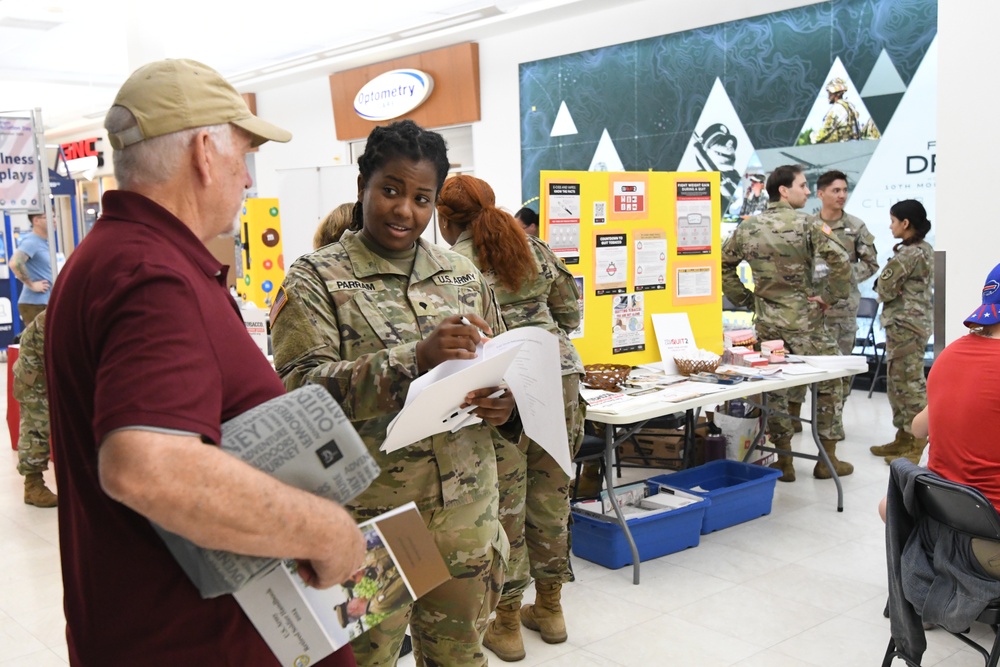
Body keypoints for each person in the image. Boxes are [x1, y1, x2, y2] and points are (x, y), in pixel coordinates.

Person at [44, 58, 365, 667]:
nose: (247, 179)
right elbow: (146, 467)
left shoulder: (107, 258)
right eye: (243, 155)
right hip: (196, 640)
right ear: (203, 152)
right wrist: (325, 530)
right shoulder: (152, 276)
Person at [271, 119, 517, 667]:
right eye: (391, 190)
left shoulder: (461, 274)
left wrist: (506, 405)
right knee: (364, 661)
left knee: (460, 659)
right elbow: (298, 394)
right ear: (363, 185)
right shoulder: (318, 278)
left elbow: (498, 365)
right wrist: (415, 359)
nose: (405, 210)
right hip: (373, 525)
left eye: (422, 198)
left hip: (466, 515)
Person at [437, 175, 586, 662]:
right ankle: (551, 608)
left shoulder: (450, 264)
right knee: (552, 491)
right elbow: (571, 313)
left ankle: (506, 624)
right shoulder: (534, 248)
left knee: (506, 502)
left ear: (443, 217)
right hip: (557, 374)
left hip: (498, 385)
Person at [721, 164, 853, 482]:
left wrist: (746, 298)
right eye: (803, 185)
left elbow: (723, 264)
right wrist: (829, 298)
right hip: (805, 322)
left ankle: (784, 460)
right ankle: (827, 459)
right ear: (784, 190)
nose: (808, 192)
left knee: (773, 388)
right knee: (831, 383)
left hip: (766, 322)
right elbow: (842, 260)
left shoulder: (747, 227)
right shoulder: (808, 224)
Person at [797, 170, 879, 426]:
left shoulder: (855, 227)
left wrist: (842, 274)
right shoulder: (807, 225)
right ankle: (795, 418)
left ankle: (831, 423)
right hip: (809, 311)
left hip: (841, 310)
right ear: (820, 194)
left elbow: (871, 263)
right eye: (836, 190)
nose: (842, 195)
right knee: (803, 366)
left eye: (844, 190)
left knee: (840, 368)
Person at [869, 200, 934, 464]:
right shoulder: (922, 249)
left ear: (905, 223)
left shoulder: (910, 254)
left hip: (906, 326)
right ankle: (904, 438)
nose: (890, 225)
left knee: (909, 384)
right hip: (907, 325)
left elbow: (882, 287)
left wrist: (886, 287)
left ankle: (917, 443)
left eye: (893, 220)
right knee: (898, 383)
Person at [13, 310, 56, 507]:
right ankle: (33, 486)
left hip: (46, 376)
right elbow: (57, 360)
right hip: (33, 381)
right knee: (36, 429)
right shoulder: (51, 320)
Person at [10, 210, 52, 326]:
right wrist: (32, 285)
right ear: (36, 220)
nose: (53, 220)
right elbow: (15, 263)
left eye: (54, 216)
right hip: (35, 304)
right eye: (48, 217)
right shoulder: (31, 242)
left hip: (46, 301)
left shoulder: (44, 242)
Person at [811, 77, 861, 144]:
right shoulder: (851, 106)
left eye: (829, 93)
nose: (828, 96)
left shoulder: (836, 109)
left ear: (835, 93)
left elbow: (825, 132)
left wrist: (813, 136)